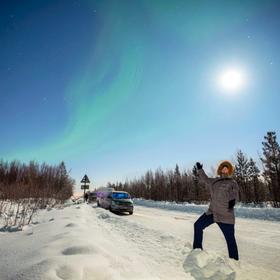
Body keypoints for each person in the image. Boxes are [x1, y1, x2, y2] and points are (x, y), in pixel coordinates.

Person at [193, 160, 239, 260]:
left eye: (227, 167)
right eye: (223, 167)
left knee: (230, 240)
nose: (225, 168)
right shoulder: (215, 181)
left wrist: (232, 201)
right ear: (220, 169)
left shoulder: (232, 182)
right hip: (212, 213)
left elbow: (235, 193)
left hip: (226, 215)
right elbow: (205, 179)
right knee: (197, 225)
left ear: (229, 170)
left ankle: (234, 261)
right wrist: (200, 169)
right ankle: (197, 250)